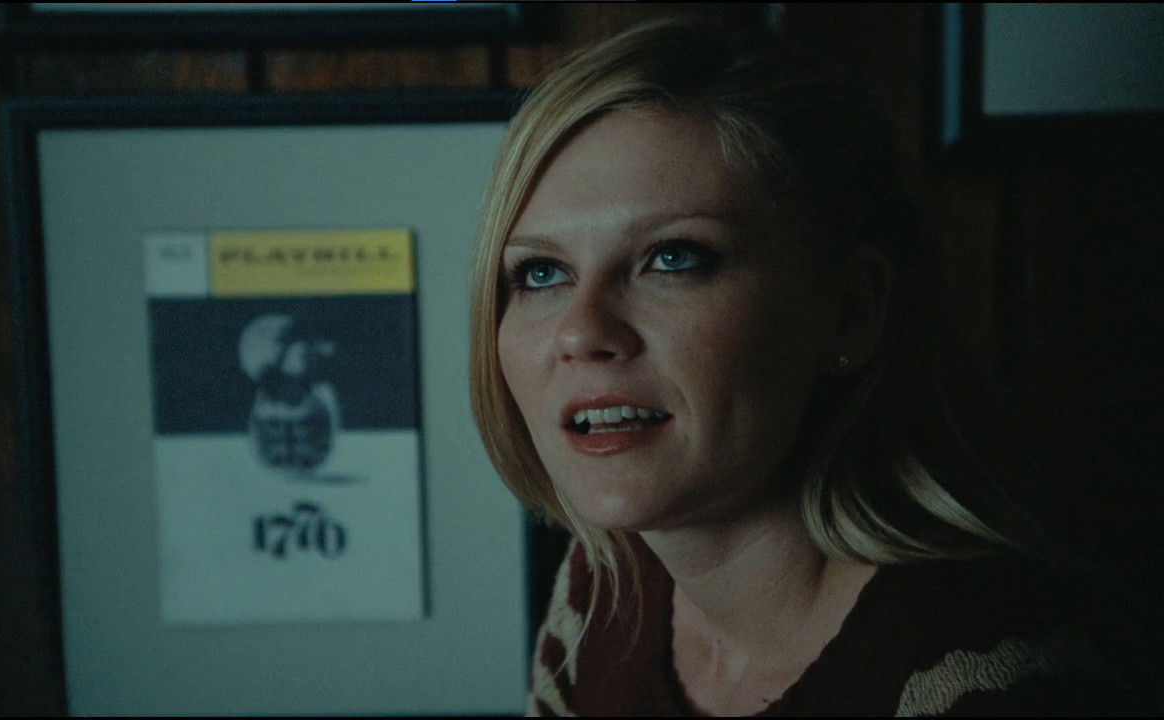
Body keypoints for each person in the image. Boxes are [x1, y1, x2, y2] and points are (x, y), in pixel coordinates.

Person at [468, 18, 1150, 716]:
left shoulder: (984, 685)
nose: (581, 332)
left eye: (673, 258)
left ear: (850, 311)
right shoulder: (604, 587)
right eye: (541, 272)